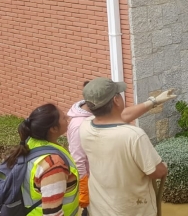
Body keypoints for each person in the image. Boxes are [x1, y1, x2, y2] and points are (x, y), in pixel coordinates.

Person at [67, 82, 176, 214]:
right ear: (116, 100)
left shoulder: (84, 125)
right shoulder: (134, 136)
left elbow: (121, 116)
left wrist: (153, 101)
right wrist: (162, 167)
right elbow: (158, 172)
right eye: (119, 94)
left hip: (98, 210)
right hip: (131, 210)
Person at [2, 104, 80, 216]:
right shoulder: (53, 164)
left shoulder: (31, 143)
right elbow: (52, 213)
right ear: (53, 129)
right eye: (63, 117)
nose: (67, 117)